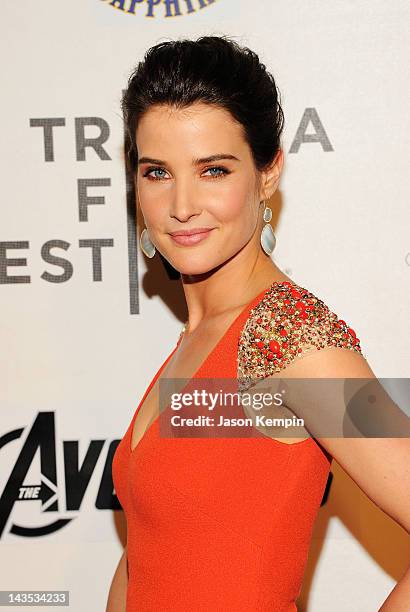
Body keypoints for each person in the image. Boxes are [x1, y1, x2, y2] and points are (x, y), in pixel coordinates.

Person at [106, 35, 410, 611]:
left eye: (213, 170)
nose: (182, 204)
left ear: (267, 174)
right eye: (156, 172)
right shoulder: (198, 334)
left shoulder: (289, 336)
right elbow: (154, 560)